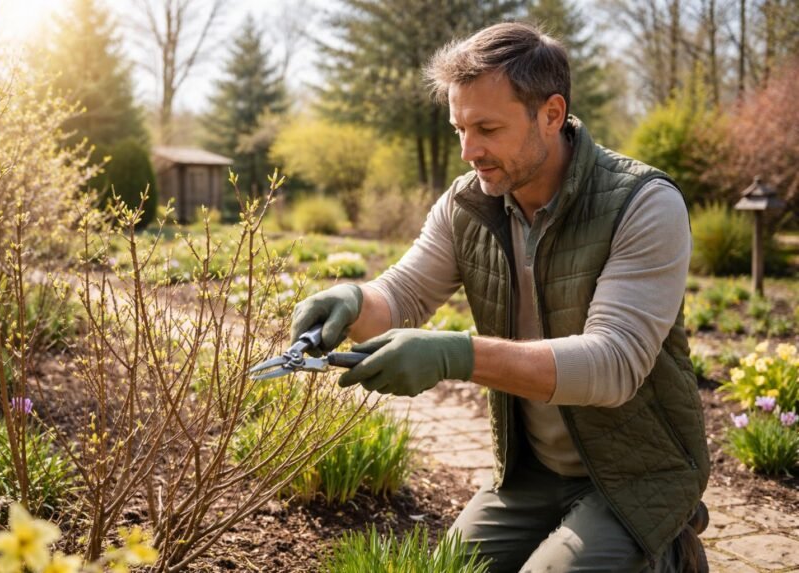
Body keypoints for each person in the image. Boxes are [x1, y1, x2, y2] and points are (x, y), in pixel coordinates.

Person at [290, 21, 710, 572]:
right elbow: (404, 293)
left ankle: (670, 553)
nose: (468, 150)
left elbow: (614, 363)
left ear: (552, 114)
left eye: (486, 128)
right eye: (458, 128)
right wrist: (350, 300)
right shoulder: (469, 204)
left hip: (635, 475)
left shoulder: (643, 203)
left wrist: (456, 354)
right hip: (530, 475)